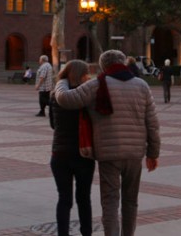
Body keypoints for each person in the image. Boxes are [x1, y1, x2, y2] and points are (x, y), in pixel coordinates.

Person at [54, 49, 160, 236]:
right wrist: (153, 153)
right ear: (124, 63)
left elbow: (65, 99)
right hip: (135, 154)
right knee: (130, 201)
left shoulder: (97, 85)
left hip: (109, 155)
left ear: (103, 66)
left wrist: (62, 81)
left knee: (110, 201)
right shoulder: (141, 85)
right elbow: (152, 123)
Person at [48, 60, 96, 236]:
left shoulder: (55, 95)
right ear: (78, 75)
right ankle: (86, 233)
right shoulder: (86, 97)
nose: (88, 77)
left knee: (64, 199)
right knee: (84, 199)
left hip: (59, 154)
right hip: (83, 154)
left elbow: (53, 124)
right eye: (85, 73)